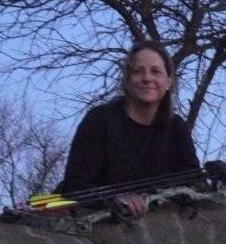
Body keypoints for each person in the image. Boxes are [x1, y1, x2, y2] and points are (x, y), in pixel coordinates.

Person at [56, 40, 200, 218]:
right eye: (138, 71)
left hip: (158, 224)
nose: (147, 78)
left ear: (168, 81)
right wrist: (114, 198)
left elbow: (192, 182)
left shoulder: (177, 128)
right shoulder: (99, 120)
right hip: (97, 220)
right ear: (127, 80)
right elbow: (75, 184)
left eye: (156, 71)